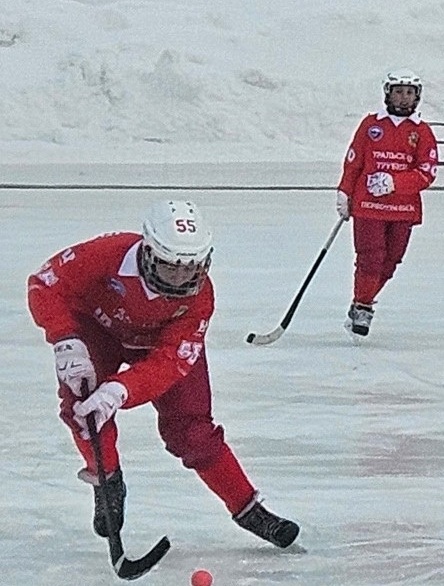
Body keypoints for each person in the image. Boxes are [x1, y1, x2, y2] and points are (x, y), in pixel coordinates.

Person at [27, 201, 299, 549]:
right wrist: (65, 338)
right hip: (98, 331)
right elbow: (46, 283)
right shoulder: (108, 253)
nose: (184, 278)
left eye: (193, 268)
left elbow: (172, 362)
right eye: (173, 268)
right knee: (83, 408)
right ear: (148, 253)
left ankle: (248, 508)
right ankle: (107, 479)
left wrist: (121, 390)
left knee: (192, 432)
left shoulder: (201, 297)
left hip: (158, 348)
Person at [337, 69, 440, 336]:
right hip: (368, 207)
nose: (403, 98)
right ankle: (363, 307)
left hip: (403, 209)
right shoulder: (371, 124)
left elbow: (427, 171)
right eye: (398, 91)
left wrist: (395, 183)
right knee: (370, 258)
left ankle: (363, 300)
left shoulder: (422, 132)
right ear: (387, 93)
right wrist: (344, 192)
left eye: (409, 93)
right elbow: (354, 162)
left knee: (391, 261)